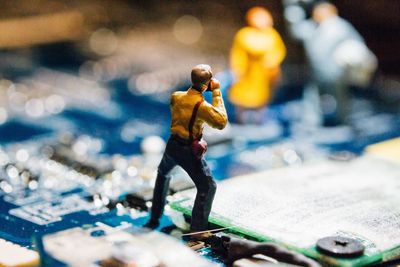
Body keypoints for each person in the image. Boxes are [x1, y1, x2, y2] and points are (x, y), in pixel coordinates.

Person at [145, 64, 228, 237]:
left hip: (172, 145)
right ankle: (198, 230)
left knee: (162, 175)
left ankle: (154, 218)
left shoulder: (176, 96)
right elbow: (221, 122)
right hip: (189, 151)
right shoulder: (202, 106)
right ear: (207, 83)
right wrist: (217, 92)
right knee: (208, 186)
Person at [285, 1, 377, 125]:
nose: (317, 14)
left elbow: (356, 44)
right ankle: (312, 123)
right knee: (312, 99)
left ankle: (343, 120)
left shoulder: (340, 26)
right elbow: (296, 31)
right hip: (316, 72)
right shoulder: (312, 27)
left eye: (321, 11)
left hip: (335, 71)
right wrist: (292, 8)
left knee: (340, 97)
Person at [229, 6, 286, 124]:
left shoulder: (271, 34)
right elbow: (238, 54)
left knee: (262, 97)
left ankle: (259, 120)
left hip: (263, 73)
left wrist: (272, 62)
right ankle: (241, 119)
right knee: (243, 97)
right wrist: (237, 69)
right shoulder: (244, 34)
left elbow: (278, 51)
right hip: (248, 72)